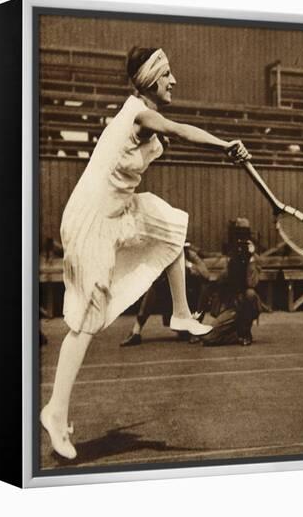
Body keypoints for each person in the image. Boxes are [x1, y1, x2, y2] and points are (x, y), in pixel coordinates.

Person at [40, 47, 250, 459]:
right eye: (167, 74)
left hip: (122, 208)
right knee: (86, 321)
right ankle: (54, 410)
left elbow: (166, 134)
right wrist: (225, 145)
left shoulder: (141, 118)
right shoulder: (139, 112)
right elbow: (180, 130)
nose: (174, 81)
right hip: (93, 217)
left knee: (171, 224)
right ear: (151, 79)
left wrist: (223, 148)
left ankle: (182, 314)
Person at [120, 242, 212, 346]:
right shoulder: (165, 257)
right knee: (155, 286)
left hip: (190, 308)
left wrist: (190, 268)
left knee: (205, 286)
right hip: (171, 307)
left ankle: (195, 327)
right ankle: (136, 331)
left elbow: (207, 275)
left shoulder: (190, 255)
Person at [196, 218, 263, 347]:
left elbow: (252, 283)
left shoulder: (254, 258)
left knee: (250, 294)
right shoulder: (232, 256)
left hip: (247, 304)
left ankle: (245, 332)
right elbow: (221, 280)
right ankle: (236, 335)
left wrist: (251, 258)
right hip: (232, 305)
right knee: (208, 338)